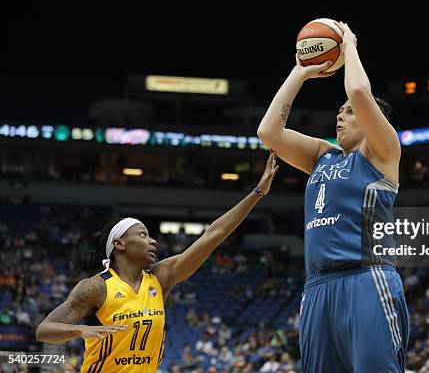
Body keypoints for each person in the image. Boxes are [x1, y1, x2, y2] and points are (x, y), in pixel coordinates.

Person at [35, 152, 279, 372]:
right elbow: (44, 331)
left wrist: (257, 192)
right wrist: (81, 330)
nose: (151, 241)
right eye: (142, 234)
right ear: (119, 244)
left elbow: (213, 235)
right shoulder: (96, 287)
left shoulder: (160, 278)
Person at [258, 21, 409, 372]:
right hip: (317, 287)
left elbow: (358, 92)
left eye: (350, 114)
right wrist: (300, 72)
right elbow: (269, 131)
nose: (341, 117)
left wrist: (349, 45)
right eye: (338, 113)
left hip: (366, 279)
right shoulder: (322, 156)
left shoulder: (382, 152)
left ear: (375, 122)